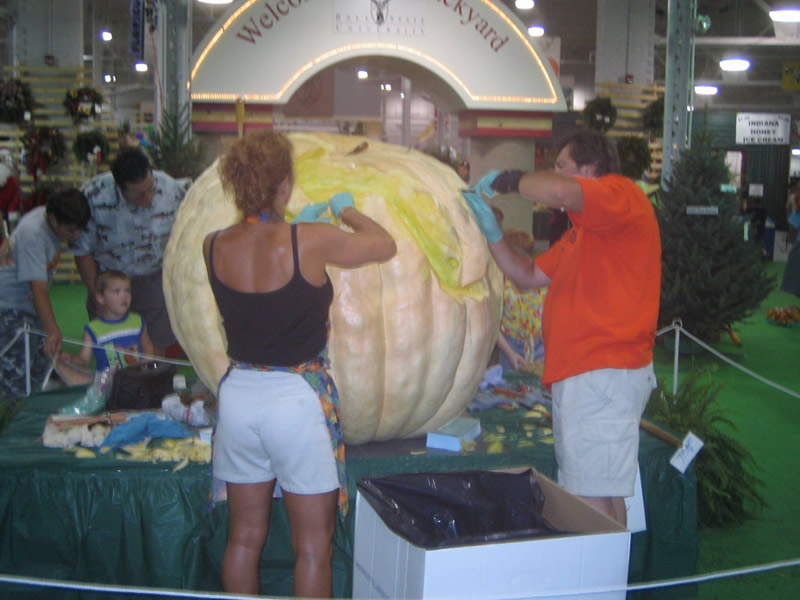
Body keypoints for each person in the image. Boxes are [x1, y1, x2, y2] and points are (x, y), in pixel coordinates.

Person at [203, 130, 396, 597]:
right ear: (284, 186)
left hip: (237, 398)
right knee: (312, 548)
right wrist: (344, 210)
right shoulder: (309, 240)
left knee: (244, 539)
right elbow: (383, 244)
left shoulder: (212, 244)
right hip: (296, 402)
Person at [463, 129, 661, 525]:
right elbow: (527, 273)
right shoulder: (583, 234)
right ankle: (607, 579)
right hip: (589, 375)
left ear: (587, 170)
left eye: (561, 166)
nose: (553, 174)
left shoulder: (620, 195)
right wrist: (493, 235)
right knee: (600, 491)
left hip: (601, 374)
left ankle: (598, 582)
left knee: (591, 499)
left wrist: (510, 180)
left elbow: (556, 192)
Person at [69, 147, 191, 355]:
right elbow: (82, 251)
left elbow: (187, 236)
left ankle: (154, 381)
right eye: (138, 196)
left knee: (156, 344)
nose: (148, 200)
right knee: (114, 348)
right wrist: (98, 294)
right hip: (109, 277)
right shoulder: (93, 195)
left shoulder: (171, 189)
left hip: (154, 278)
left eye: (150, 189)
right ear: (118, 186)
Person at [0, 188, 90, 400]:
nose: (76, 236)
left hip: (23, 305)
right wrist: (53, 331)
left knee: (42, 361)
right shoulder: (33, 234)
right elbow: (37, 288)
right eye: (71, 231)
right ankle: (18, 423)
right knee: (19, 370)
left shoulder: (50, 217)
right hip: (7, 307)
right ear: (53, 220)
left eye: (80, 229)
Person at [56, 269, 155, 384]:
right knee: (82, 379)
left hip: (134, 380)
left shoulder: (138, 321)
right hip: (107, 383)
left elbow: (147, 344)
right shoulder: (93, 329)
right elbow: (83, 359)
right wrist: (71, 359)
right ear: (101, 298)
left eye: (127, 291)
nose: (124, 296)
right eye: (117, 292)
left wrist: (147, 359)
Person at [496, 229, 546, 372]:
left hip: (541, 346)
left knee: (538, 388)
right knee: (512, 387)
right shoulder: (501, 282)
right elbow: (493, 326)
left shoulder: (542, 280)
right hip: (510, 347)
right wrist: (509, 352)